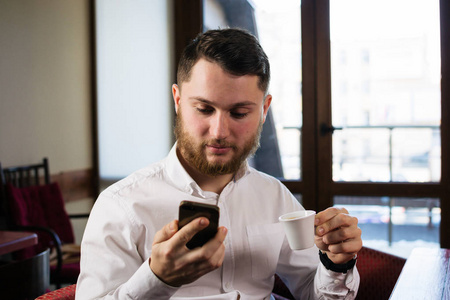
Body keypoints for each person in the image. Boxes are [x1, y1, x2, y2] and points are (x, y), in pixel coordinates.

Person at [76, 28, 362, 299]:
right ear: (177, 100)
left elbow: (315, 293)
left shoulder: (273, 196)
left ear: (264, 110)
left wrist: (336, 263)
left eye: (238, 113)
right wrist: (157, 278)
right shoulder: (121, 205)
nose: (219, 132)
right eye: (204, 109)